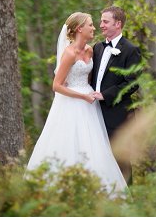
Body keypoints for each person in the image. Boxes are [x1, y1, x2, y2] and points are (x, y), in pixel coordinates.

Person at [26, 11, 127, 195]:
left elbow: (90, 79)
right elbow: (56, 85)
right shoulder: (69, 53)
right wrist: (82, 96)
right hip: (73, 102)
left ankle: (96, 188)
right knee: (69, 142)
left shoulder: (90, 50)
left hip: (90, 103)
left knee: (95, 144)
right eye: (90, 24)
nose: (94, 27)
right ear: (80, 28)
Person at [90, 5, 141, 179]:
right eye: (101, 21)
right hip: (94, 112)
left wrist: (105, 95)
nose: (101, 25)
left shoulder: (131, 50)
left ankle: (126, 199)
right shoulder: (97, 47)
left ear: (117, 24)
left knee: (120, 159)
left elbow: (132, 83)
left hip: (117, 114)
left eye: (105, 21)